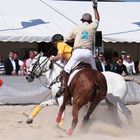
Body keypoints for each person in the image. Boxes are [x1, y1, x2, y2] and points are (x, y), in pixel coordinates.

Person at [58, 1, 99, 93]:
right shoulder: (93, 26)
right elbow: (97, 19)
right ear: (90, 21)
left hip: (78, 52)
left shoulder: (76, 28)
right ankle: (97, 87)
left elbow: (67, 38)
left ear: (82, 20)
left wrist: (75, 39)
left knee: (66, 69)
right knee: (95, 71)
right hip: (88, 53)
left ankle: (63, 87)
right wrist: (95, 8)